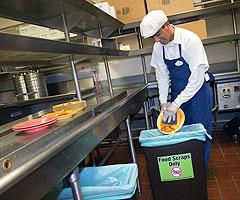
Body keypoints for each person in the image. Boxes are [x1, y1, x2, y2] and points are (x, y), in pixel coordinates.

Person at [140, 10, 213, 167]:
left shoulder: (190, 40)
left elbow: (197, 78)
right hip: (178, 96)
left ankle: (200, 172)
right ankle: (185, 172)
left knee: (199, 134)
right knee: (180, 134)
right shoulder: (159, 46)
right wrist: (164, 102)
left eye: (158, 35)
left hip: (198, 94)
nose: (157, 40)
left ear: (167, 25)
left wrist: (176, 103)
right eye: (153, 37)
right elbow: (162, 75)